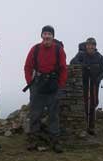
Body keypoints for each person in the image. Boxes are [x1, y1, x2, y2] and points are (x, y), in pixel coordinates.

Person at [24, 25, 67, 153]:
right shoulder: (35, 49)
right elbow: (27, 67)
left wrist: (60, 85)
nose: (47, 36)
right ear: (42, 36)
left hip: (53, 86)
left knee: (53, 115)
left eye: (50, 34)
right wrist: (30, 83)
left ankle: (55, 142)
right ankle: (33, 141)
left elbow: (63, 69)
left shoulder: (59, 50)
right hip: (37, 86)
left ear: (53, 36)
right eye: (45, 34)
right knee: (35, 114)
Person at [70, 38, 103, 135]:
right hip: (84, 84)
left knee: (93, 103)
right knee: (85, 103)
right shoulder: (81, 54)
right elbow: (72, 62)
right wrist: (83, 65)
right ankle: (84, 125)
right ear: (86, 46)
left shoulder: (99, 57)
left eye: (93, 45)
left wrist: (98, 79)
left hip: (94, 84)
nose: (91, 46)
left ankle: (91, 127)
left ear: (95, 46)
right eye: (89, 45)